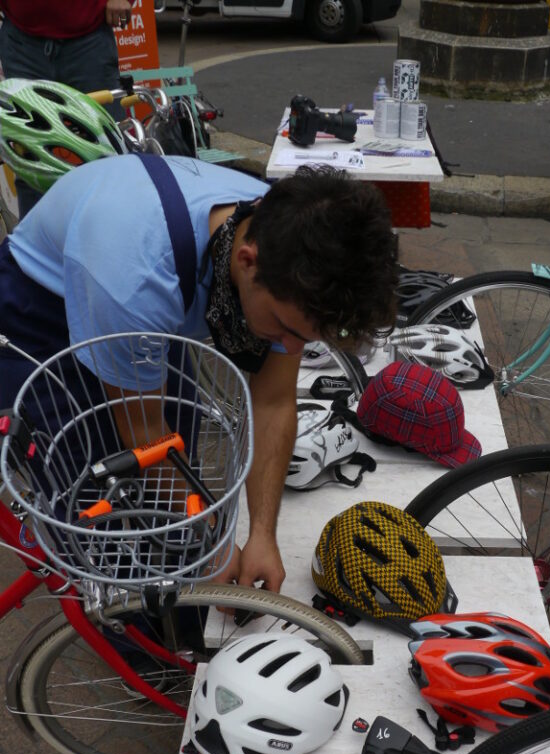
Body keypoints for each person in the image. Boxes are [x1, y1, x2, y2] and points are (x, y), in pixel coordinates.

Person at [0, 154, 399, 593]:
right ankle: (131, 633)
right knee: (99, 498)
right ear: (247, 262)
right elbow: (146, 436)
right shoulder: (137, 284)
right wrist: (216, 541)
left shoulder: (286, 242)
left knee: (178, 480)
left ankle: (180, 581)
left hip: (140, 297)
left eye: (305, 339)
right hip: (40, 312)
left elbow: (272, 400)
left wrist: (261, 534)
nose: (291, 350)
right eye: (286, 330)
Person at [0, 0, 134, 215]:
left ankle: (113, 240)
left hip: (89, 43)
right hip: (21, 42)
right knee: (31, 157)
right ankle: (36, 245)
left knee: (108, 154)